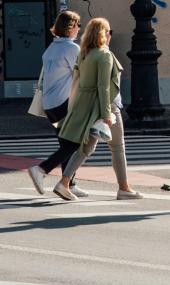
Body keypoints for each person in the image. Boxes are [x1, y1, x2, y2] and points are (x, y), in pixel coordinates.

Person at [55, 17, 142, 201]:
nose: (110, 35)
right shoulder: (104, 55)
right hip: (106, 105)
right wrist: (106, 113)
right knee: (117, 147)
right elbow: (104, 87)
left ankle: (64, 182)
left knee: (86, 147)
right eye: (109, 32)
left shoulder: (85, 54)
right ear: (103, 34)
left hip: (87, 105)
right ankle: (124, 188)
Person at [27, 11, 87, 200]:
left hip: (49, 103)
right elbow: (82, 74)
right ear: (70, 27)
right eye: (77, 25)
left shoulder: (51, 48)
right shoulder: (71, 48)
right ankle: (41, 169)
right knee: (74, 144)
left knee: (65, 143)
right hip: (63, 102)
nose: (79, 28)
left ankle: (70, 183)